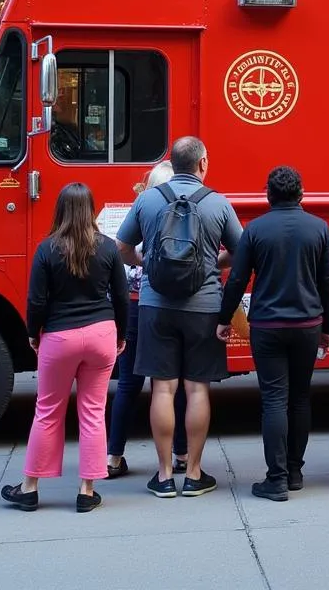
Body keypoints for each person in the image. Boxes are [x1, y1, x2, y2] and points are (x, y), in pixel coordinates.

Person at [115, 135, 242, 498]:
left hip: (155, 305)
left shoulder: (148, 199)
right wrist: (212, 265)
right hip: (203, 307)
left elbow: (123, 247)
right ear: (202, 164)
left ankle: (165, 475)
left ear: (172, 163)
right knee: (196, 388)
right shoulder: (218, 203)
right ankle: (195, 474)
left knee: (163, 388)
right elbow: (240, 250)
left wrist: (146, 265)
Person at [2, 183, 129, 512]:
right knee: (93, 412)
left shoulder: (47, 249)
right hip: (101, 334)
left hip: (59, 337)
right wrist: (121, 334)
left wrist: (33, 333)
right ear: (90, 209)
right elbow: (121, 296)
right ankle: (87, 491)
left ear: (60, 210)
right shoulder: (109, 248)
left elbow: (36, 300)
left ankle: (30, 487)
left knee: (47, 412)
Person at [217, 166, 329, 501]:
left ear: (268, 195)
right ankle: (296, 472)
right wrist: (327, 328)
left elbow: (238, 279)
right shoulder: (319, 228)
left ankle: (276, 478)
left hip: (268, 326)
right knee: (300, 398)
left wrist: (224, 318)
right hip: (307, 325)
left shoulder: (255, 230)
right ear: (301, 194)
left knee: (274, 400)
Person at [106, 161, 189, 480]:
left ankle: (114, 456)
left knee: (127, 383)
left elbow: (120, 250)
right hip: (171, 305)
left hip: (136, 306)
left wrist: (143, 263)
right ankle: (180, 454)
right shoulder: (183, 214)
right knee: (173, 384)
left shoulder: (141, 209)